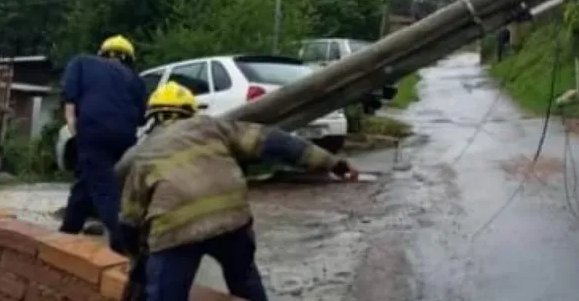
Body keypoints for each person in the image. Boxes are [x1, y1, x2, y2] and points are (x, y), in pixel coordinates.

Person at [116, 81, 360, 301]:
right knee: (244, 280)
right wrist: (333, 163)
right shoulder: (213, 126)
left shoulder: (144, 154)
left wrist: (136, 260)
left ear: (153, 118)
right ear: (191, 111)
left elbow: (129, 220)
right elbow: (277, 143)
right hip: (232, 220)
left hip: (175, 231)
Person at [59, 35, 147, 254]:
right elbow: (142, 116)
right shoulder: (135, 79)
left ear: (102, 53)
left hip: (93, 130)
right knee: (86, 181)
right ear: (129, 59)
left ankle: (124, 244)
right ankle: (68, 230)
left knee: (104, 189)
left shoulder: (82, 62)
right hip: (125, 138)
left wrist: (72, 124)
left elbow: (70, 97)